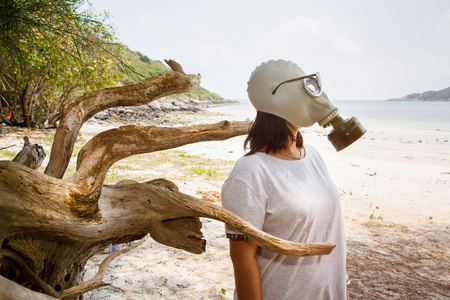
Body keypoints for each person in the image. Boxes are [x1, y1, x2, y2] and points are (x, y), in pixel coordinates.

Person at [221, 60, 348, 300]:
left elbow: (332, 234)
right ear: (276, 94)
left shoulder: (314, 157)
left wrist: (343, 287)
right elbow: (242, 256)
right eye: (305, 87)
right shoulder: (249, 172)